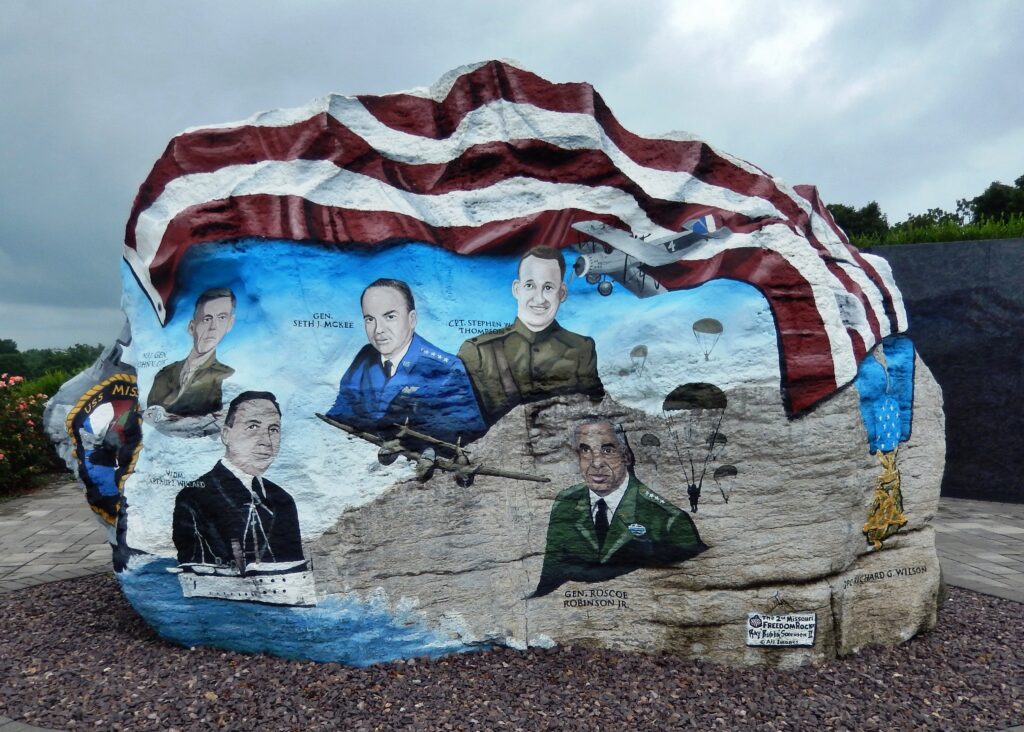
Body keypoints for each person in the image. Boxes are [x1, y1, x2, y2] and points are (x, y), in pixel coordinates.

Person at [532, 418, 707, 597]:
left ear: (626, 457)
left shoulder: (669, 520)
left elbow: (691, 588)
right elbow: (551, 578)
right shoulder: (566, 503)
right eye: (585, 450)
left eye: (607, 450)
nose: (596, 463)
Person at [327, 278, 486, 444]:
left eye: (389, 317)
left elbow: (465, 437)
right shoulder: (365, 357)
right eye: (369, 319)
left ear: (412, 319)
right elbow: (340, 414)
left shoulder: (447, 369)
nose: (378, 330)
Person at [458, 246, 604, 426]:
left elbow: (596, 414)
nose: (539, 298)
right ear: (517, 289)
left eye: (548, 287)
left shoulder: (582, 348)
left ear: (562, 293)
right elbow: (460, 420)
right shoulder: (478, 352)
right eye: (530, 285)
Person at [173, 391, 304, 569]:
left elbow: (294, 572)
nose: (266, 441)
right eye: (252, 427)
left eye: (273, 429)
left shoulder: (283, 500)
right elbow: (195, 571)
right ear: (226, 435)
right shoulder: (194, 497)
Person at [147, 287, 236, 417]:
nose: (213, 328)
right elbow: (149, 417)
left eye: (222, 318)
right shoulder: (164, 374)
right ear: (191, 327)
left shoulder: (226, 376)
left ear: (230, 324)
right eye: (207, 319)